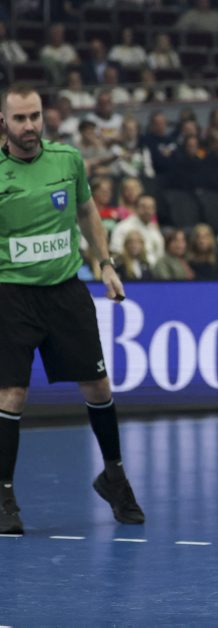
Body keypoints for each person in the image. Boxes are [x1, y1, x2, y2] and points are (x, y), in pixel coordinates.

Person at [0, 85, 145, 535]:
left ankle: (114, 477)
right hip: (12, 294)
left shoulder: (68, 160)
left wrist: (106, 264)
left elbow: (86, 211)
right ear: (3, 121)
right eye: (20, 118)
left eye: (35, 116)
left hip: (65, 291)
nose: (29, 126)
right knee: (11, 395)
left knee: (98, 386)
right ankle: (4, 494)